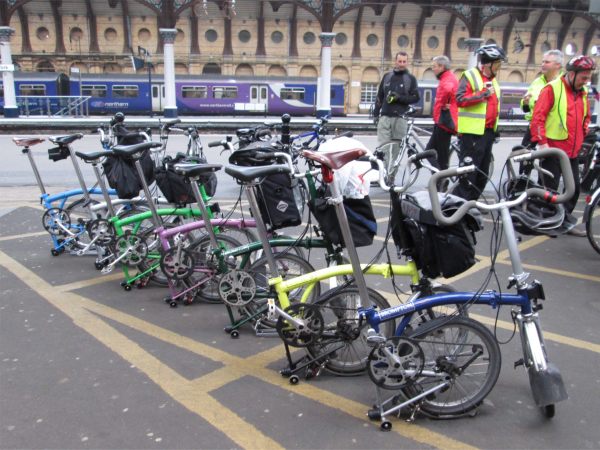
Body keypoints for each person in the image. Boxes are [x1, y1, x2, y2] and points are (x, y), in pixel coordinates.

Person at [529, 55, 595, 237]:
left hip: (571, 152)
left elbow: (585, 116)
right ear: (572, 74)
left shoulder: (582, 91)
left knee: (573, 189)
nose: (586, 81)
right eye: (583, 77)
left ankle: (563, 221)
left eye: (588, 77)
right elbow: (538, 118)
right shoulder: (552, 89)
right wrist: (542, 144)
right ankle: (551, 223)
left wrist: (582, 136)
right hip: (553, 150)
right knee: (550, 191)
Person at [454, 44, 506, 201]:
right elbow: (460, 99)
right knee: (468, 173)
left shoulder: (493, 80)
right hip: (472, 134)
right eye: (497, 64)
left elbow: (493, 106)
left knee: (482, 173)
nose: (499, 68)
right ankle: (461, 205)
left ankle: (472, 203)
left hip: (487, 133)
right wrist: (482, 94)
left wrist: (495, 129)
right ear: (487, 64)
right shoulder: (470, 76)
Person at [372, 51, 420, 183]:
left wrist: (400, 98)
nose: (402, 64)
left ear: (407, 62)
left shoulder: (410, 79)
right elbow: (380, 96)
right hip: (385, 117)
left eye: (404, 61)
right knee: (383, 148)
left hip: (400, 119)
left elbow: (416, 97)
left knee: (397, 152)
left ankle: (391, 177)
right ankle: (383, 174)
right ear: (395, 61)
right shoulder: (387, 77)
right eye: (400, 61)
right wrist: (376, 114)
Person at [520, 49, 563, 146]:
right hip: (534, 126)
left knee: (549, 158)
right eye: (542, 62)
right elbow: (526, 109)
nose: (543, 64)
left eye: (547, 62)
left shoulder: (564, 83)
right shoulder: (537, 82)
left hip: (553, 130)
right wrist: (525, 102)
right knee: (523, 155)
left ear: (558, 65)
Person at [425, 55, 458, 172]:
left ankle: (440, 179)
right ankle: (439, 179)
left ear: (441, 66)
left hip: (443, 123)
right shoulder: (449, 77)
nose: (432, 69)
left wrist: (443, 102)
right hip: (443, 122)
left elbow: (448, 89)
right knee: (439, 154)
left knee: (432, 153)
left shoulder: (447, 80)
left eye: (434, 66)